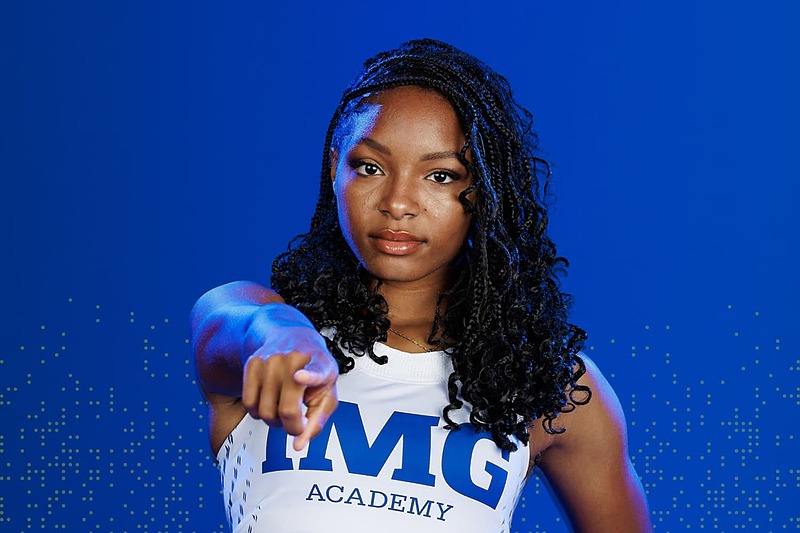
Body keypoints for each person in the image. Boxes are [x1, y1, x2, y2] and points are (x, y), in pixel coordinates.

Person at [191, 39, 651, 532]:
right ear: (333, 167)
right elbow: (226, 313)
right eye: (370, 167)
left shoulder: (545, 382)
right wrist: (281, 332)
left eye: (439, 175)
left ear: (486, 192)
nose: (398, 201)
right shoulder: (267, 344)